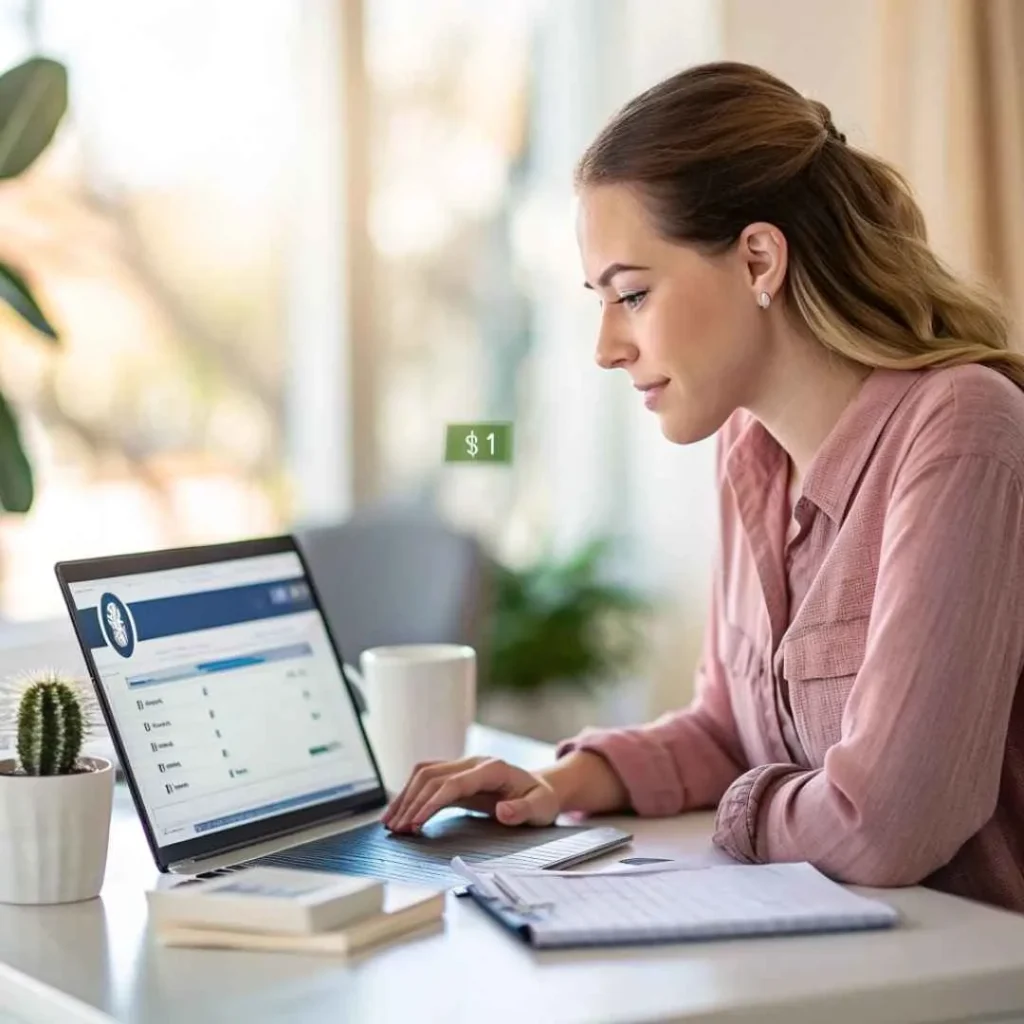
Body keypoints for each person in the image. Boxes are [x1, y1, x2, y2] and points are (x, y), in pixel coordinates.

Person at [383, 61, 1024, 913]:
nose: (607, 347)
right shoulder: (748, 454)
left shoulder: (959, 433)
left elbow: (885, 824)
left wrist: (742, 806)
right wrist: (557, 780)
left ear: (759, 257)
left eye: (633, 295)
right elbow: (728, 729)